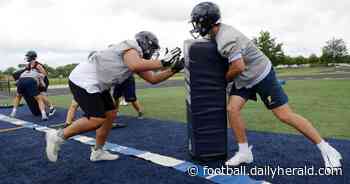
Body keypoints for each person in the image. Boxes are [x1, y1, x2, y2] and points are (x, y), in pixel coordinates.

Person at [189, 2, 342, 169]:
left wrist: (223, 79)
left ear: (208, 21)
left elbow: (238, 66)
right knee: (232, 110)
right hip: (244, 78)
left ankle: (327, 149)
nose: (196, 26)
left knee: (284, 115)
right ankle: (244, 152)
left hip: (260, 74)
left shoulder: (226, 38)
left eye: (198, 21)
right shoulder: (216, 33)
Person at [45, 31, 184, 162]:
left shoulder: (136, 57)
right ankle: (57, 136)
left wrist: (173, 70)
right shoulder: (131, 47)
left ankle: (97, 151)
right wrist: (162, 62)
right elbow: (135, 65)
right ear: (145, 44)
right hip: (83, 80)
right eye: (152, 49)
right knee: (96, 119)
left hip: (98, 83)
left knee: (111, 113)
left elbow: (153, 79)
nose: (153, 53)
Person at [10, 51, 56, 119]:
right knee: (38, 96)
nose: (27, 58)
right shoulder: (28, 65)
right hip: (35, 80)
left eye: (28, 56)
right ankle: (43, 110)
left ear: (32, 57)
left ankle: (51, 108)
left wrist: (41, 82)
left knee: (42, 95)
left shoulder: (38, 65)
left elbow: (44, 74)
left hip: (42, 80)